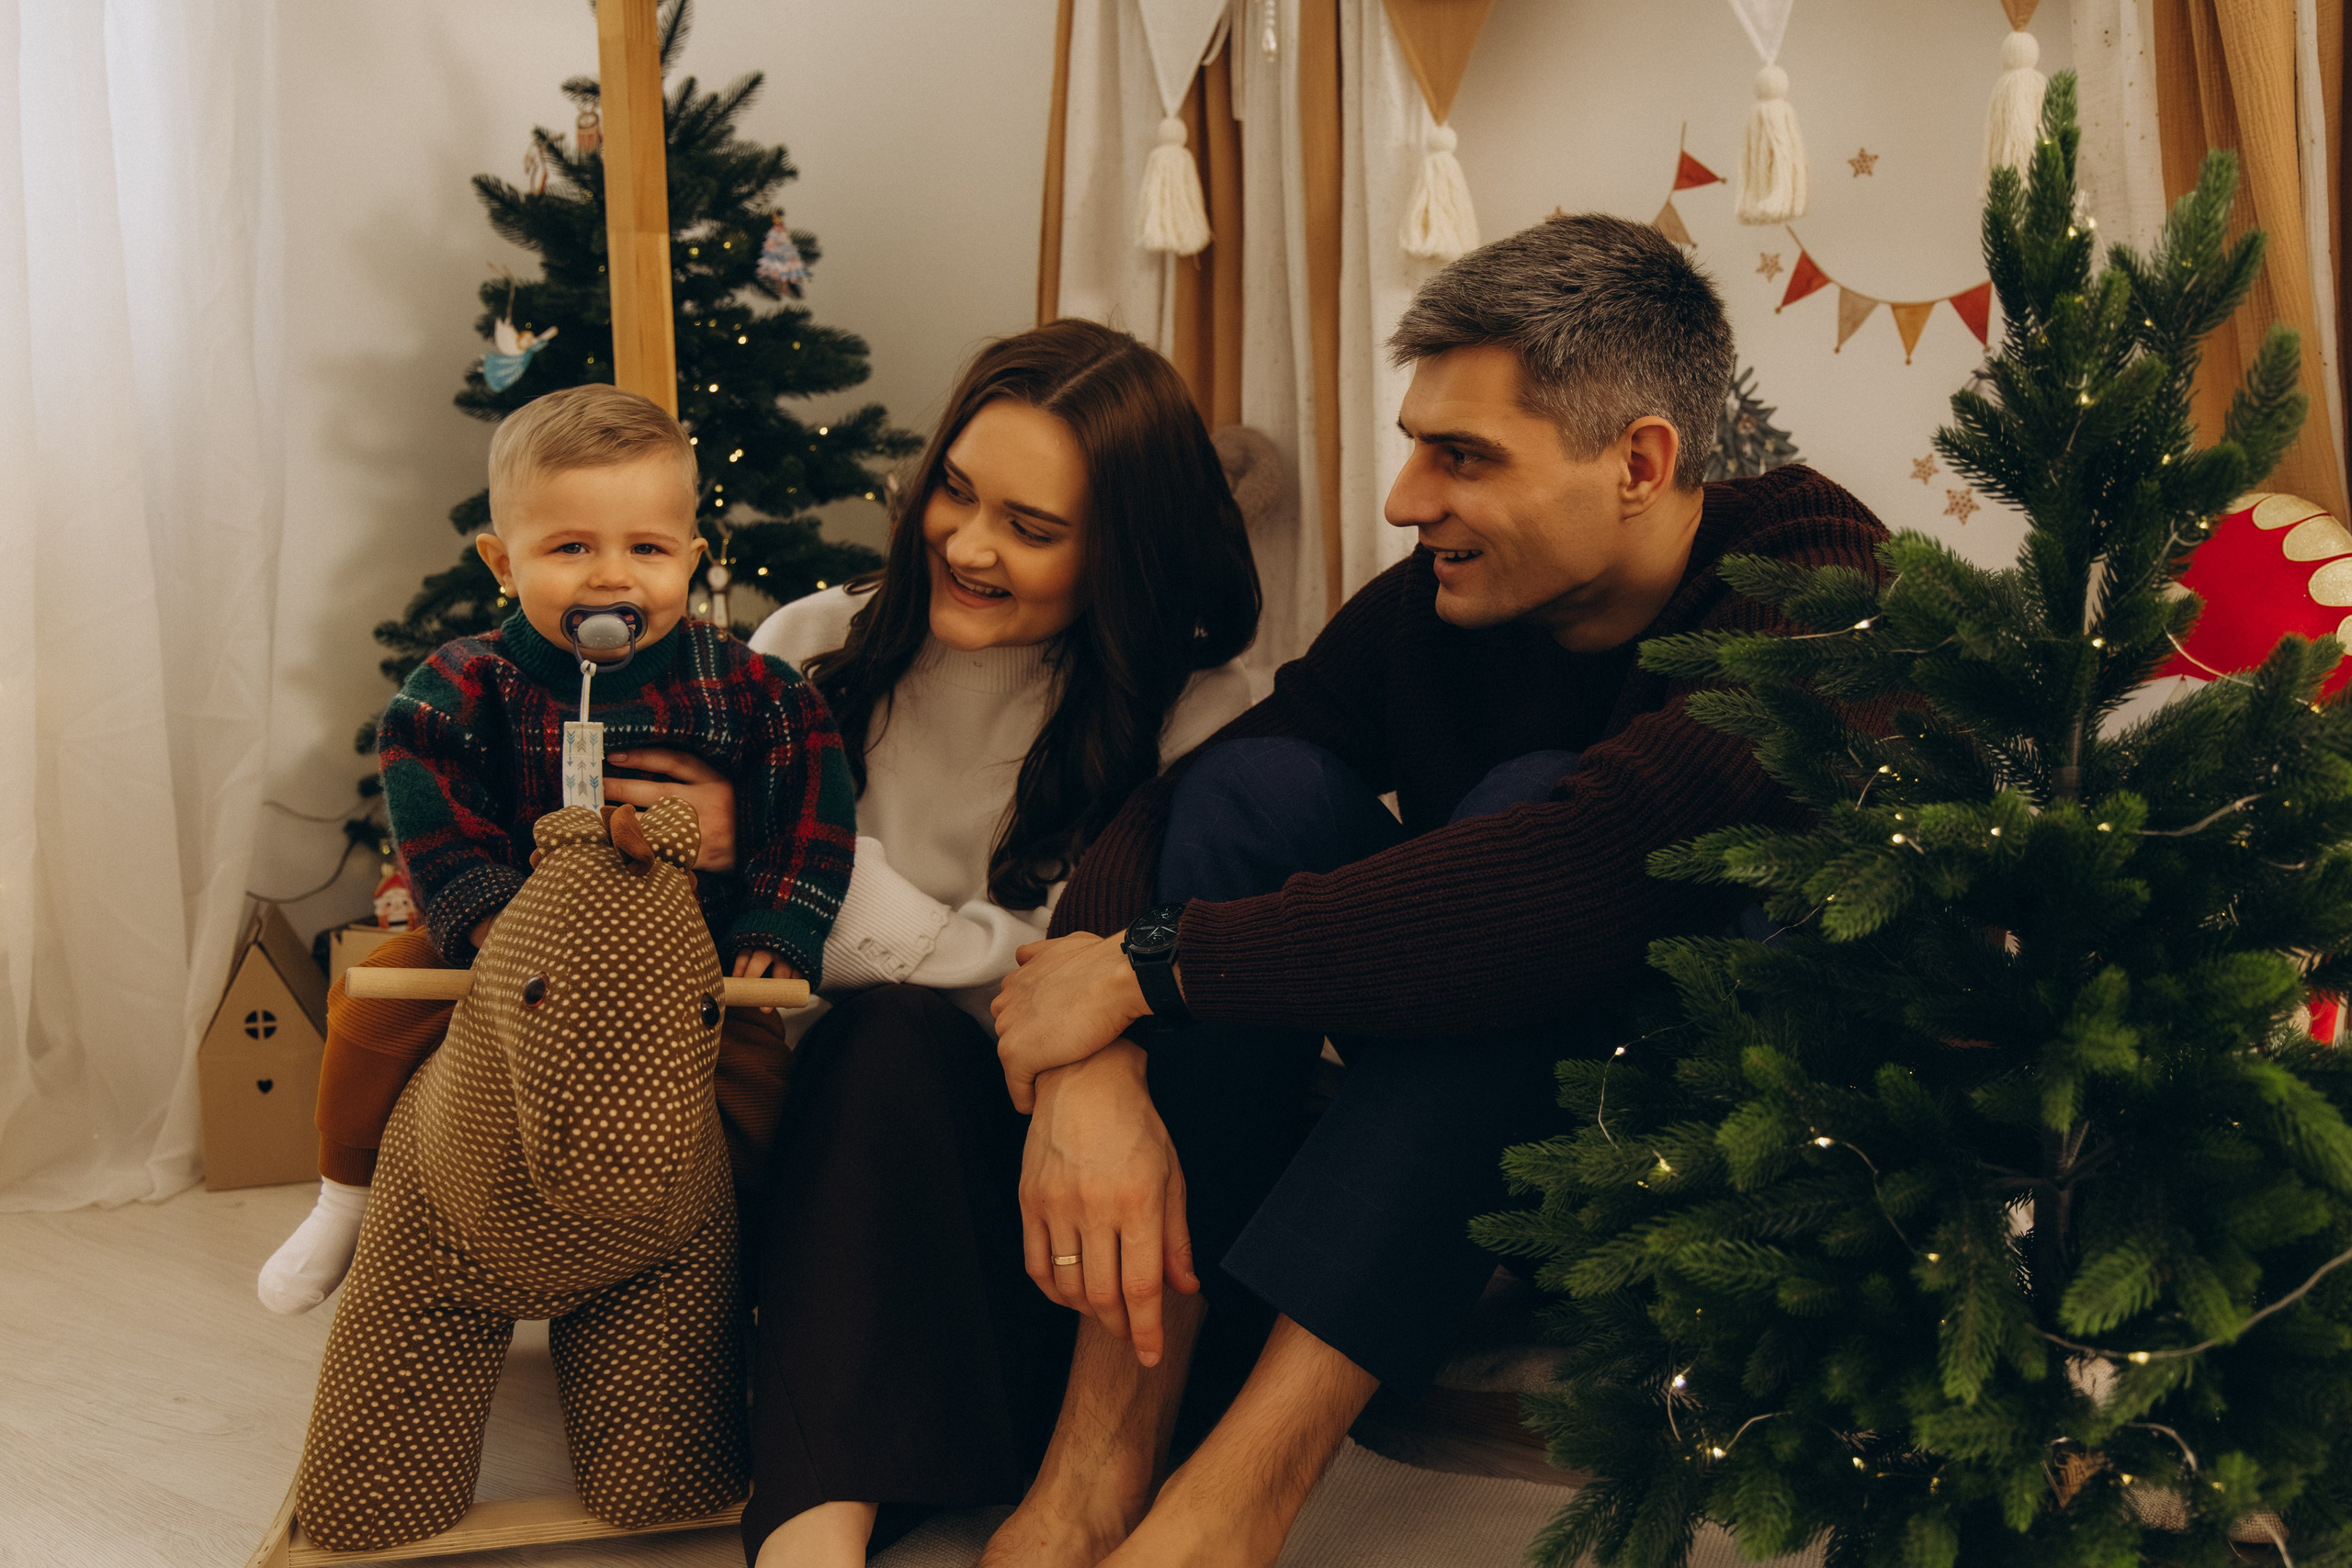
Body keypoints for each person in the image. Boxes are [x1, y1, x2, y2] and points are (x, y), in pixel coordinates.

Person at [979, 214, 1891, 1567]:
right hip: (1497, 1136)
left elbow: (1583, 869)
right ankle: (1099, 1457)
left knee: (1528, 812)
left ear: (1641, 460)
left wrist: (1151, 965)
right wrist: (1093, 1047)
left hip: (1735, 1167)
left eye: (1461, 456)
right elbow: (1190, 798)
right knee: (1262, 797)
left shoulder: (1808, 585)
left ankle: (1234, 1502)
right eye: (1416, 443)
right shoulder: (1445, 600)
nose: (1407, 499)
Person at [606, 320, 1260, 1567]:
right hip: (817, 1170)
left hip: (1047, 1218)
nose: (966, 543)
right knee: (874, 1041)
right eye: (954, 490)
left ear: (1123, 543)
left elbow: (1071, 990)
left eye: (1031, 524)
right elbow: (746, 952)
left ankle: (838, 1515)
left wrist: (806, 866)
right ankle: (816, 1535)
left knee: (897, 1034)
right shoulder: (806, 644)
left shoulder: (1199, 714)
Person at [255, 383, 856, 1315]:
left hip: (688, 952)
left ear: (692, 560)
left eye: (646, 549)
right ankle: (346, 1196)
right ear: (504, 560)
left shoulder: (753, 689)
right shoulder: (461, 686)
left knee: (758, 1086)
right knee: (366, 1015)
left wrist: (783, 916)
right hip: (510, 944)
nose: (612, 578)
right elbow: (431, 802)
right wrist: (486, 912)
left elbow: (811, 806)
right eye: (571, 547)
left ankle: (760, 1255)